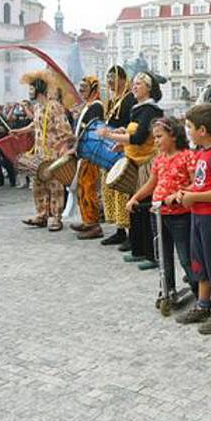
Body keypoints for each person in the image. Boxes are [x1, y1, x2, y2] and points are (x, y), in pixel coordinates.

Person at [174, 104, 211, 334]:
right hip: (198, 217)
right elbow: (200, 184)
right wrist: (184, 192)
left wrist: (193, 196)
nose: (187, 131)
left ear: (202, 130)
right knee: (201, 263)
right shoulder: (202, 153)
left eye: (189, 127)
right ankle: (203, 305)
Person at [126, 117, 197, 300]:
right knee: (163, 257)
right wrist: (135, 197)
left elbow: (196, 183)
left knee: (185, 257)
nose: (156, 141)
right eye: (154, 137)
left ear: (173, 135)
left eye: (159, 137)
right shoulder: (159, 159)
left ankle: (199, 292)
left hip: (180, 215)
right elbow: (151, 184)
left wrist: (178, 195)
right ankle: (167, 288)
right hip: (158, 214)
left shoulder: (187, 156)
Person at [101, 71, 163, 268]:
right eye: (133, 84)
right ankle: (138, 249)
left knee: (144, 207)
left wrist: (110, 135)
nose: (134, 87)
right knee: (134, 207)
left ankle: (151, 255)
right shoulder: (138, 109)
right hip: (135, 161)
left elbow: (139, 138)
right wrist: (121, 138)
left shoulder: (150, 110)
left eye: (139, 84)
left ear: (148, 88)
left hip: (146, 163)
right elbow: (132, 132)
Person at [13, 70, 73, 231]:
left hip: (53, 155)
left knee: (55, 186)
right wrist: (20, 131)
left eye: (32, 88)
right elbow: (34, 125)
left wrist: (63, 150)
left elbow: (66, 131)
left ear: (39, 88)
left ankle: (55, 217)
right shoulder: (38, 107)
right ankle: (41, 215)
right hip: (39, 154)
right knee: (38, 184)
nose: (30, 91)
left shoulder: (55, 106)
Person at [100, 65, 137, 248]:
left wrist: (122, 143)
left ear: (123, 79)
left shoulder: (130, 99)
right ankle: (119, 230)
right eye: (108, 79)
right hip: (109, 150)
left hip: (122, 149)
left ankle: (131, 233)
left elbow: (131, 126)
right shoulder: (111, 99)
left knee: (123, 190)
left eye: (113, 78)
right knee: (111, 190)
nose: (109, 82)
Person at [69, 76, 105, 240]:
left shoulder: (96, 106)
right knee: (83, 187)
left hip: (90, 152)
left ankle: (94, 225)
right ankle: (87, 220)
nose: (81, 90)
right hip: (84, 152)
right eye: (80, 87)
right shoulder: (89, 106)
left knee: (88, 187)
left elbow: (89, 130)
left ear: (93, 89)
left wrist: (75, 147)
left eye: (85, 87)